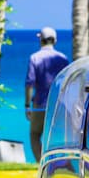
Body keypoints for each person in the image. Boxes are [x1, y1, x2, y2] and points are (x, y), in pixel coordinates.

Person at [25, 26, 69, 161]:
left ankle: (41, 162)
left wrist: (27, 105)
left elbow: (30, 83)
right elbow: (67, 82)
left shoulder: (35, 58)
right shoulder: (63, 58)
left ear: (41, 40)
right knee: (57, 137)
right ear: (54, 40)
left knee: (34, 135)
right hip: (58, 105)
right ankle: (57, 163)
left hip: (40, 104)